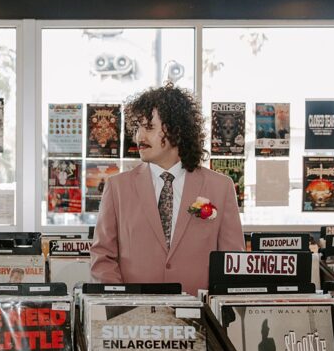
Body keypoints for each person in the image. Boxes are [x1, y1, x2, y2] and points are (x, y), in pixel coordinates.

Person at [90, 84, 245, 295]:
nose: (139, 137)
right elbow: (102, 257)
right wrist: (122, 303)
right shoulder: (117, 187)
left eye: (149, 128)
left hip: (200, 318)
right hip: (135, 319)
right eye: (137, 128)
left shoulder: (221, 187)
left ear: (176, 129)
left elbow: (232, 261)